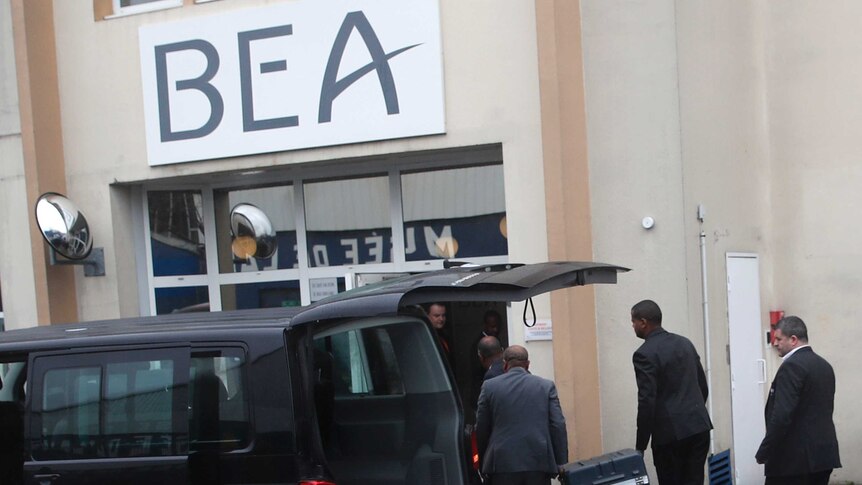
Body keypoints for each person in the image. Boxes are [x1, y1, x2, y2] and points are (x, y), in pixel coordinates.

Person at [630, 299, 712, 485]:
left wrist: (640, 446)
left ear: (643, 322)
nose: (633, 326)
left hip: (670, 436)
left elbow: (646, 401)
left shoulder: (644, 354)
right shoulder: (685, 343)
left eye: (633, 321)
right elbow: (702, 386)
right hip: (699, 427)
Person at [755, 316, 841, 484]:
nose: (775, 343)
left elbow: (781, 416)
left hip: (793, 462)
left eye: (779, 339)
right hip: (823, 456)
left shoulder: (792, 366)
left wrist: (765, 451)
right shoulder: (824, 366)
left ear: (793, 339)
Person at [476, 345, 568, 485]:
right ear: (527, 364)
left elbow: (482, 428)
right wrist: (562, 462)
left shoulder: (489, 387)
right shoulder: (546, 386)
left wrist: (484, 462)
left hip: (502, 463)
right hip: (538, 462)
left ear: (505, 364)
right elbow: (558, 424)